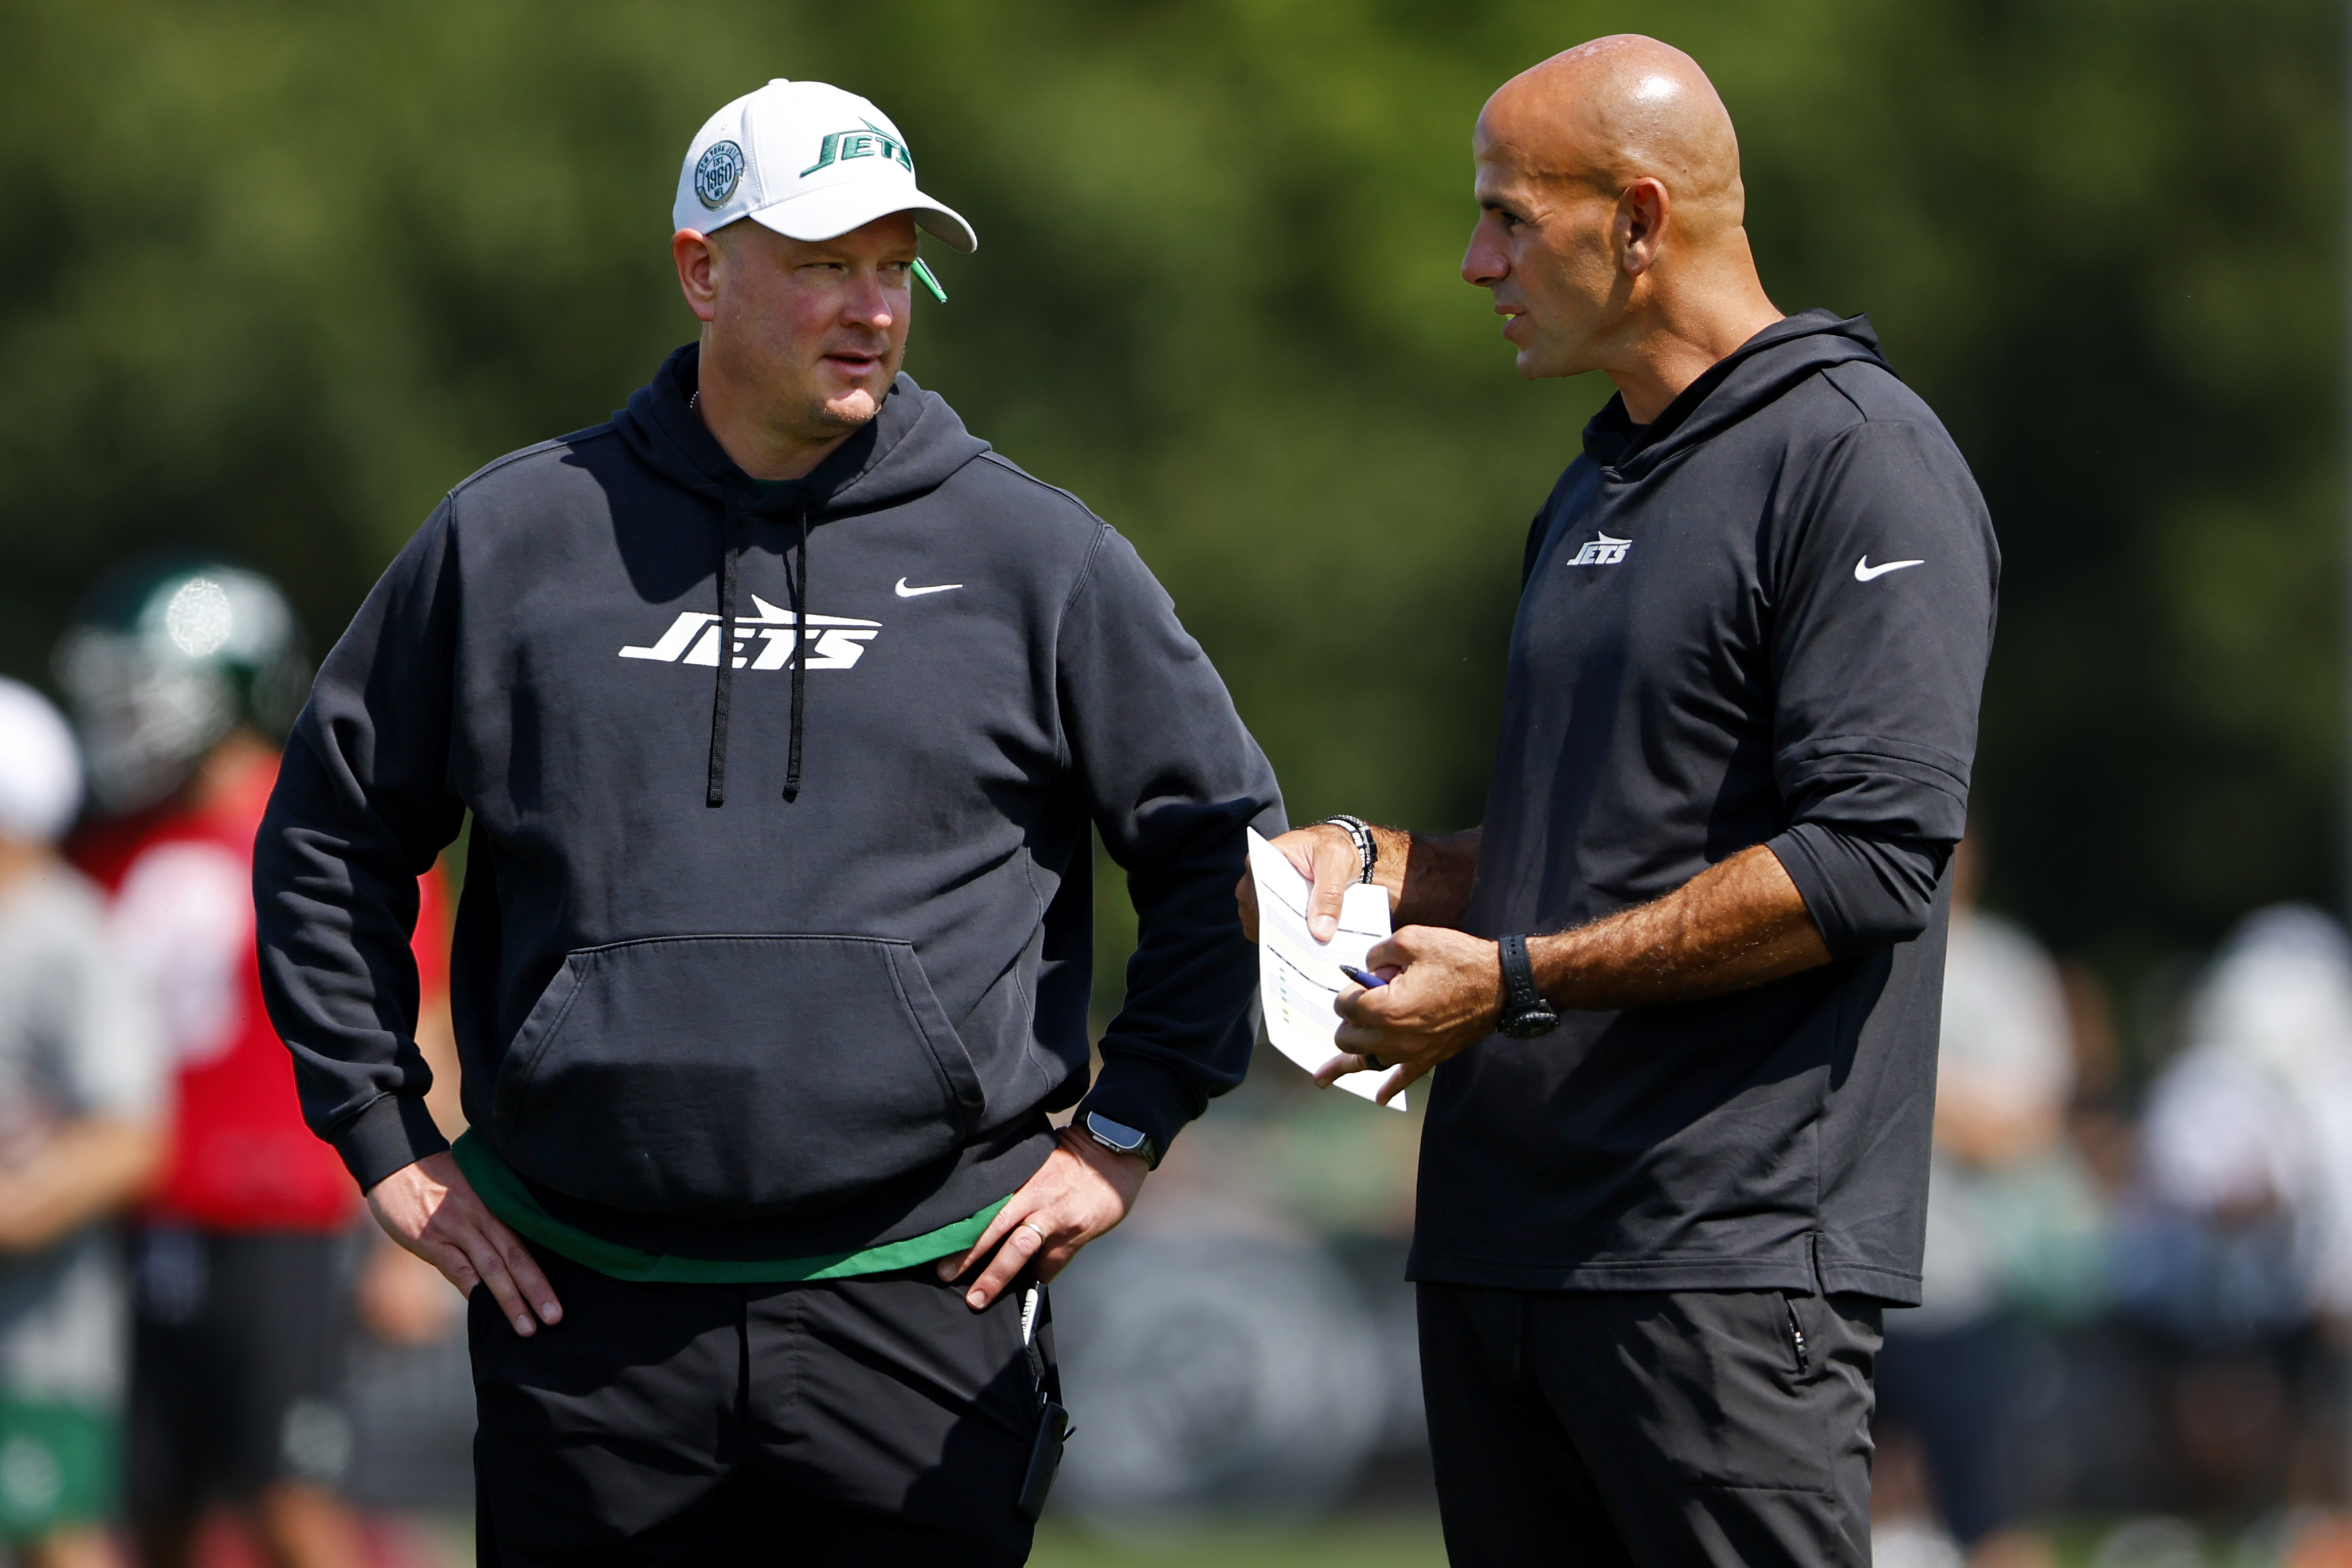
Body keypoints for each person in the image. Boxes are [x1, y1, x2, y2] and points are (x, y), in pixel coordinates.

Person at [252, 77, 1281, 1565]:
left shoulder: (1032, 552)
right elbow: (327, 840)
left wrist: (1126, 1127)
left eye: (892, 265)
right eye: (819, 266)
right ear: (699, 270)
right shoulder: (511, 538)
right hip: (578, 1300)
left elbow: (1219, 849)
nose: (870, 307)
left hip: (928, 1296)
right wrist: (381, 1132)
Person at [1238, 36, 1997, 1567]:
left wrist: (1510, 981)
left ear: (1638, 222)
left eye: (1508, 217)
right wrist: (1378, 867)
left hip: (1714, 1265)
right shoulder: (1596, 482)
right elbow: (1579, 861)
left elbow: (1865, 864)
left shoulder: (1859, 459)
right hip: (1499, 1252)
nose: (1474, 262)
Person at [55, 557, 449, 1568]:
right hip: (137, 1226)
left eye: (150, 690)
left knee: (287, 1501)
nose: (129, 719)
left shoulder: (319, 822)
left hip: (284, 1216)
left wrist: (404, 1231)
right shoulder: (106, 844)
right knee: (148, 1510)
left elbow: (422, 1015)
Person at [0, 680, 167, 1568]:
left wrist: (19, 1202)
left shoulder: (66, 934)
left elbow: (128, 1135)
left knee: (57, 1534)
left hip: (38, 1337)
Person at [1874, 837, 2073, 1568]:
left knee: (1986, 1514)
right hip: (1840, 1281)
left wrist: (1898, 1084)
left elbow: (2025, 1125)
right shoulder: (1846, 947)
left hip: (1958, 1286)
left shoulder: (2000, 969)